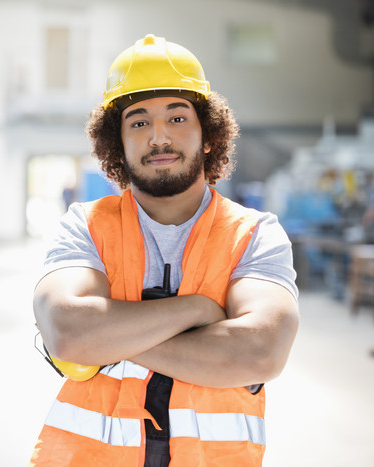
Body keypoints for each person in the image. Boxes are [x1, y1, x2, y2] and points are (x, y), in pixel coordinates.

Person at [30, 34, 299, 467]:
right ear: (117, 144)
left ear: (208, 135)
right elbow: (68, 332)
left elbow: (260, 352)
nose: (158, 137)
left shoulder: (254, 234)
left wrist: (105, 340)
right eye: (138, 122)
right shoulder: (87, 225)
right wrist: (196, 310)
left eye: (177, 118)